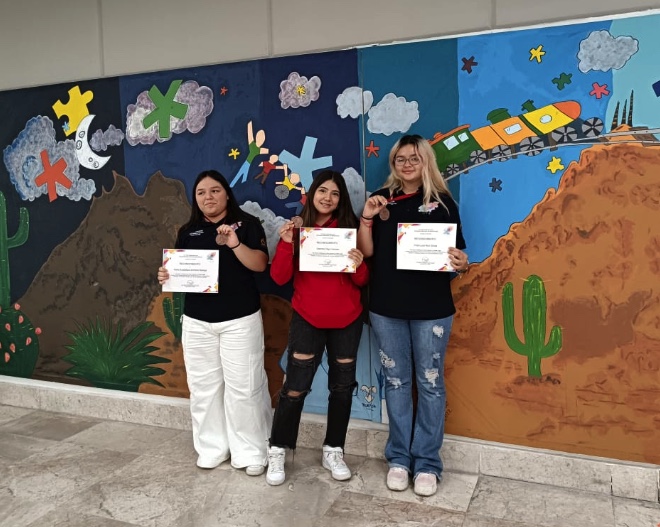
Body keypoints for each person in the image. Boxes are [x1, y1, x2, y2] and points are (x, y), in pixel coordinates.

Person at [357, 134, 469, 497]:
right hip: (387, 308)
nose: (406, 164)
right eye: (400, 158)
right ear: (393, 163)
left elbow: (457, 257)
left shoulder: (443, 204)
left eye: (414, 158)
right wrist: (367, 219)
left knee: (431, 384)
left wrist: (462, 264)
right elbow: (366, 252)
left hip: (431, 310)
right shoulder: (380, 199)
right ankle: (399, 459)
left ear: (426, 163)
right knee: (397, 383)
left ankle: (428, 463)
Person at [157, 169, 272, 476]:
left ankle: (251, 450)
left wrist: (234, 244)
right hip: (197, 321)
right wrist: (169, 275)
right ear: (195, 199)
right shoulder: (188, 231)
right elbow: (184, 272)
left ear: (226, 193)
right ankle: (212, 447)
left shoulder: (247, 225)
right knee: (203, 388)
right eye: (201, 193)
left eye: (215, 190)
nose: (208, 197)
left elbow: (260, 264)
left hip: (240, 319)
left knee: (244, 388)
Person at [266, 170, 369, 486]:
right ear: (311, 195)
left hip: (346, 320)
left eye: (335, 193)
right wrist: (285, 244)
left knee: (341, 388)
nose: (328, 198)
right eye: (322, 191)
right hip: (307, 319)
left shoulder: (349, 230)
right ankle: (278, 449)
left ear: (341, 199)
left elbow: (363, 281)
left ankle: (334, 449)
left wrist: (358, 263)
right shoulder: (298, 230)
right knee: (295, 387)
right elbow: (279, 278)